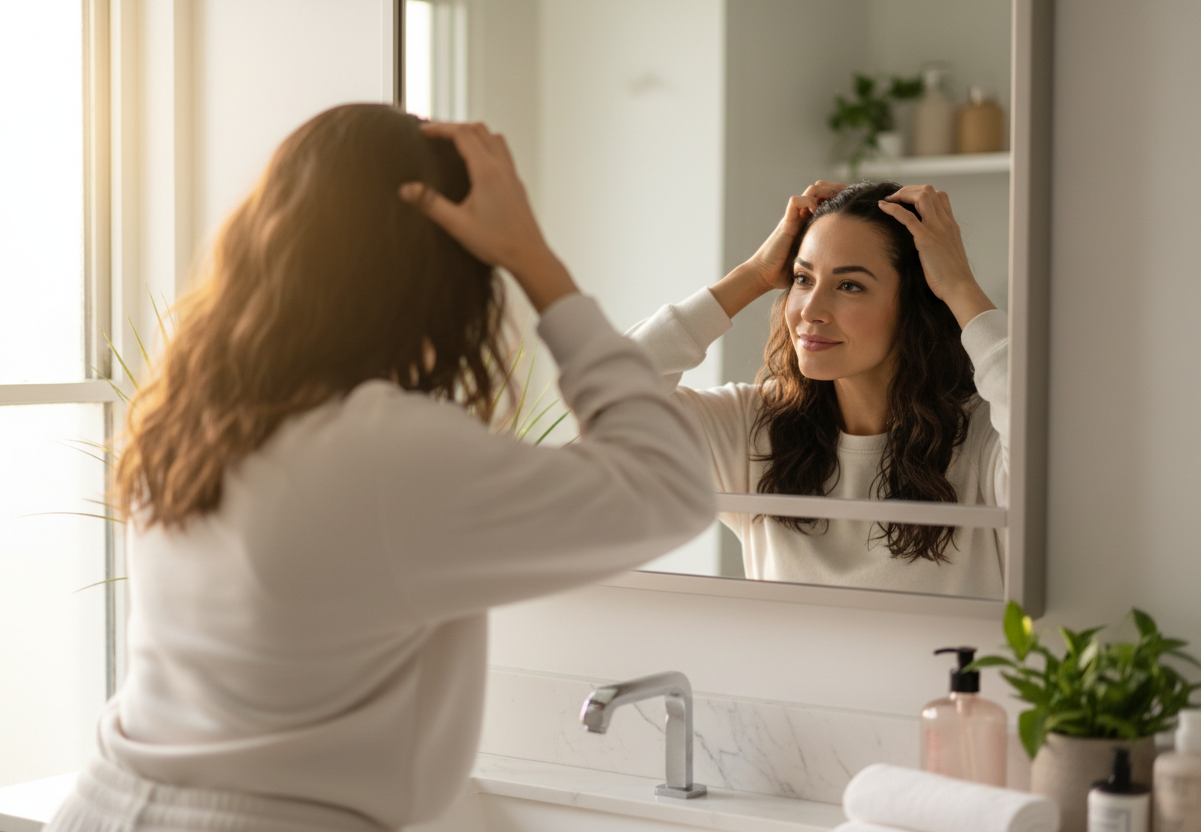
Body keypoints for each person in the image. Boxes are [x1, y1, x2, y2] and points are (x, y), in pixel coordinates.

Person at [47, 105, 714, 832]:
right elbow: (671, 485)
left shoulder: (192, 413)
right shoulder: (388, 450)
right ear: (444, 271)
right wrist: (535, 260)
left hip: (105, 806)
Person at [627, 180, 1007, 598]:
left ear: (915, 305)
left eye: (849, 286)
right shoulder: (753, 428)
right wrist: (752, 275)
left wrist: (959, 286)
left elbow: (1051, 445)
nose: (810, 310)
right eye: (802, 278)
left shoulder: (986, 439)